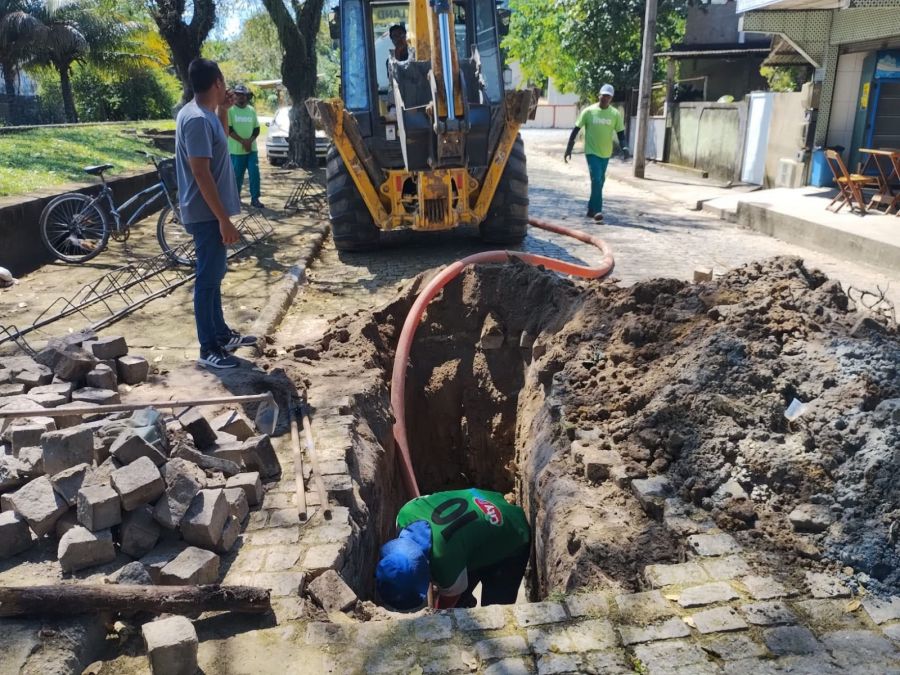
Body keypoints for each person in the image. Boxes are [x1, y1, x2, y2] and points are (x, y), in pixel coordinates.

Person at [175, 58, 257, 370]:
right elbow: (200, 172)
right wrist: (223, 218)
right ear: (218, 82)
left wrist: (223, 110)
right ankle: (208, 348)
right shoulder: (195, 119)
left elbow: (220, 141)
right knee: (207, 280)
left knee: (215, 276)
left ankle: (220, 334)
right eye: (224, 82)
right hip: (206, 213)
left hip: (211, 212)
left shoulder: (206, 115)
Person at [375, 488, 531, 610]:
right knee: (458, 593)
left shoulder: (445, 562)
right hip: (483, 501)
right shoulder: (406, 513)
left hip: (512, 535)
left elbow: (445, 610)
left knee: (495, 612)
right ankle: (467, 601)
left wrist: (436, 617)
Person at [564, 83, 630, 222]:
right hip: (591, 151)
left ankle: (590, 208)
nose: (605, 98)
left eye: (608, 96)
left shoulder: (615, 114)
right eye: (603, 95)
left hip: (606, 153)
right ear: (599, 95)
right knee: (596, 179)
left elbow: (621, 133)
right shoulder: (588, 112)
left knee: (600, 181)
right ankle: (598, 210)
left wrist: (624, 148)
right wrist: (569, 148)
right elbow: (576, 129)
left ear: (611, 98)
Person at [227, 84, 264, 209]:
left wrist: (250, 141)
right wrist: (243, 142)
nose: (240, 97)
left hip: (252, 150)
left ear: (246, 96)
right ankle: (235, 199)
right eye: (237, 94)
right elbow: (229, 130)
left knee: (255, 174)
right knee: (237, 176)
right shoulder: (230, 110)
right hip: (236, 150)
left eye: (242, 94)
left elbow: (257, 129)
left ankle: (255, 199)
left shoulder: (251, 110)